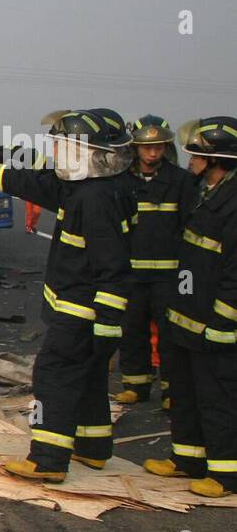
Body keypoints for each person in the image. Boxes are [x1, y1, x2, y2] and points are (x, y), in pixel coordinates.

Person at [0, 109, 134, 481]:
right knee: (89, 377)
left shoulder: (95, 199)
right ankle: (94, 447)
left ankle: (48, 460)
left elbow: (113, 266)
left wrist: (108, 322)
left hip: (79, 312)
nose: (56, 151)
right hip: (80, 309)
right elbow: (40, 185)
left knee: (54, 376)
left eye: (62, 145)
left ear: (87, 151)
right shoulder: (93, 188)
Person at [144, 116, 237, 497]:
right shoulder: (200, 189)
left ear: (216, 159)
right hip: (184, 313)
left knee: (217, 397)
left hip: (213, 321)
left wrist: (224, 320)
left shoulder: (232, 203)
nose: (190, 158)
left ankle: (227, 473)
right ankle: (188, 459)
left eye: (196, 153)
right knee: (184, 391)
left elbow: (233, 270)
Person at [113, 116, 187, 407]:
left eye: (158, 147)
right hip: (131, 273)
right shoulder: (122, 181)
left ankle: (172, 390)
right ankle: (136, 385)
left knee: (170, 335)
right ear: (136, 148)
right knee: (132, 330)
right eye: (147, 148)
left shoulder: (180, 181)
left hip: (169, 274)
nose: (152, 153)